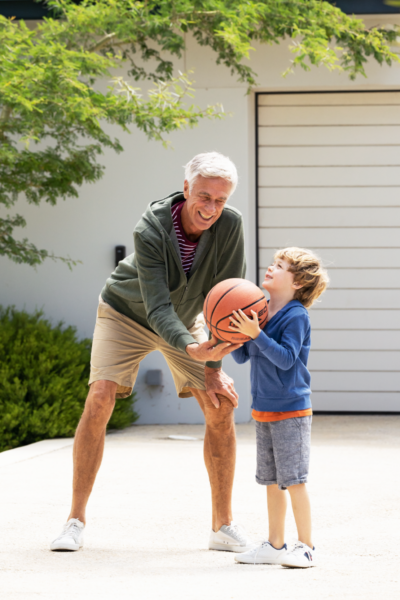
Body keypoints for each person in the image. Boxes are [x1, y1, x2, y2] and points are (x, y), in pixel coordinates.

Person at [50, 152, 255, 553]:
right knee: (99, 397)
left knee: (221, 404)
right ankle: (74, 520)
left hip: (187, 317)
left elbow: (226, 295)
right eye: (204, 196)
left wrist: (212, 365)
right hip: (126, 312)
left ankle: (222, 525)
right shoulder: (151, 227)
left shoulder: (231, 226)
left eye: (220, 200)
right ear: (186, 190)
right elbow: (157, 306)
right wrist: (192, 347)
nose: (211, 208)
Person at [228, 247, 328, 568]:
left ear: (297, 282)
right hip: (264, 410)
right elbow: (244, 356)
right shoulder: (259, 311)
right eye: (273, 263)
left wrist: (255, 333)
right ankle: (275, 544)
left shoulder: (296, 315)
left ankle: (307, 547)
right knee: (271, 481)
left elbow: (286, 359)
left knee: (294, 480)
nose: (271, 268)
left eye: (280, 265)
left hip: (291, 411)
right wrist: (232, 335)